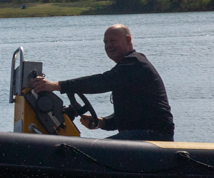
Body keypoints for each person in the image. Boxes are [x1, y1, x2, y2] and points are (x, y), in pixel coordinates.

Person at [28, 24, 175, 141]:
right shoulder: (126, 68)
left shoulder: (135, 63)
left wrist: (56, 85)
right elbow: (130, 116)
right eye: (105, 42)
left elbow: (101, 81)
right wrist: (102, 122)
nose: (108, 46)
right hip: (139, 134)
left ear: (128, 40)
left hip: (154, 136)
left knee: (93, 152)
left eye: (113, 41)